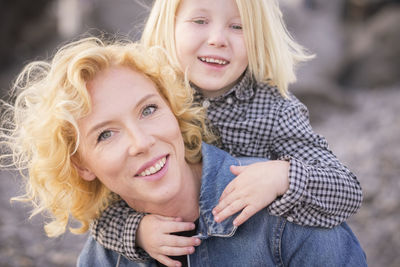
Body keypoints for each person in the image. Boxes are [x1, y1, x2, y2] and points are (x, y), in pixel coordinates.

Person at [0, 37, 366, 267]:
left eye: (148, 110)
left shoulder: (286, 213)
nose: (141, 142)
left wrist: (286, 175)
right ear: (82, 166)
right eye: (106, 135)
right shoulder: (104, 255)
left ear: (174, 112)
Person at [91, 0, 364, 266]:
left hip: (254, 248)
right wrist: (136, 231)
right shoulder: (149, 99)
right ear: (169, 25)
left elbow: (347, 190)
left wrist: (282, 175)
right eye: (200, 21)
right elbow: (95, 202)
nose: (217, 39)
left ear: (259, 36)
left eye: (238, 27)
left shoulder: (275, 110)